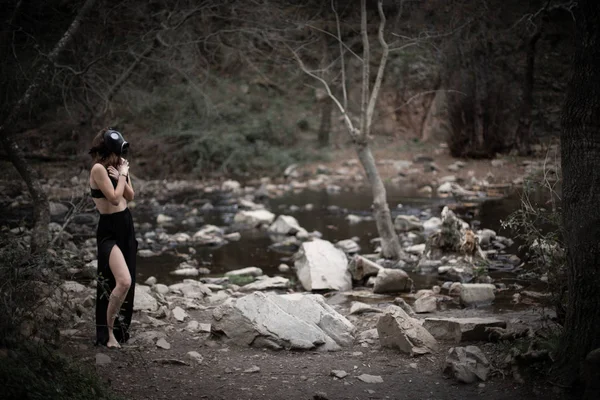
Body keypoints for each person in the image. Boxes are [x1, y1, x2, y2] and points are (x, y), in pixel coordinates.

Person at [88, 127, 137, 349]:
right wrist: (123, 176)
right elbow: (115, 199)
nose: (122, 156)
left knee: (129, 282)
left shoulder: (118, 166)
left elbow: (130, 195)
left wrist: (122, 175)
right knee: (122, 280)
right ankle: (107, 334)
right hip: (109, 229)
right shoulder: (98, 169)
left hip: (126, 224)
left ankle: (119, 328)